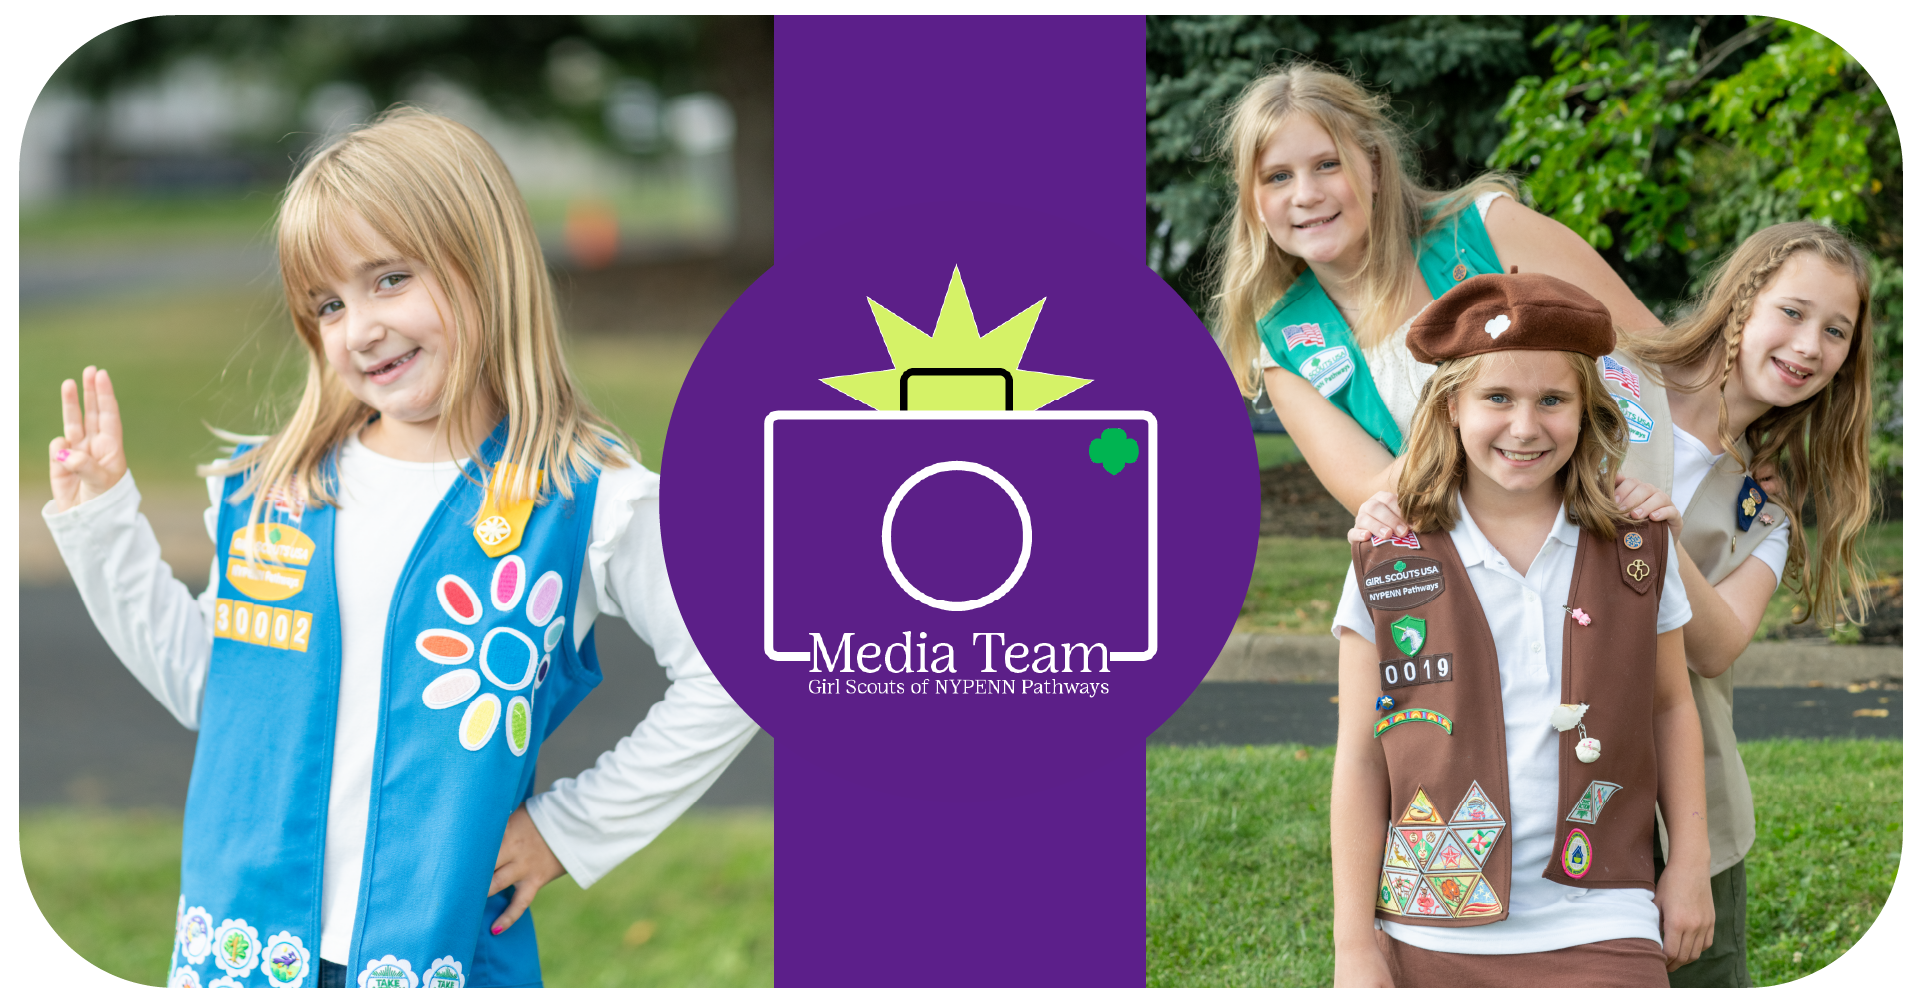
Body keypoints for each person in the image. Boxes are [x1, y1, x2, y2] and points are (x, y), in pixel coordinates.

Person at [42, 108, 758, 989]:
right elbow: (212, 689)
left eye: (389, 279)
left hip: (444, 954)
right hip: (242, 952)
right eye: (329, 304)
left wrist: (571, 828)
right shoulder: (279, 488)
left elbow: (730, 670)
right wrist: (100, 521)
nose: (360, 328)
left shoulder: (581, 498)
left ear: (485, 266)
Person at [1353, 221, 1877, 987]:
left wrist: (1649, 527)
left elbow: (1717, 644)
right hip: (1525, 770)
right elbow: (1474, 435)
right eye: (1792, 312)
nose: (1809, 345)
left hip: (1688, 794)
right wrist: (1385, 506)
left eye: (1837, 331)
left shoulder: (1768, 501)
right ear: (1741, 303)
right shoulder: (1618, 378)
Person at [1328, 272, 1713, 988]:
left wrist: (1688, 862)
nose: (1526, 426)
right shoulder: (1388, 560)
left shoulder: (1637, 547)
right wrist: (1356, 942)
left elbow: (1669, 705)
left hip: (1604, 917)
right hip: (1428, 920)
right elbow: (1359, 756)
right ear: (1450, 407)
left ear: (1586, 409)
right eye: (1497, 397)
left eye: (1553, 400)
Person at [1210, 64, 1663, 513]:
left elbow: (1658, 354)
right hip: (1492, 560)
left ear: (1374, 165)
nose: (1305, 194)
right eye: (1278, 176)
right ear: (1251, 197)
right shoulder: (1286, 343)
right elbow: (1376, 497)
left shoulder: (1483, 230)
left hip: (1648, 497)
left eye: (1328, 164)